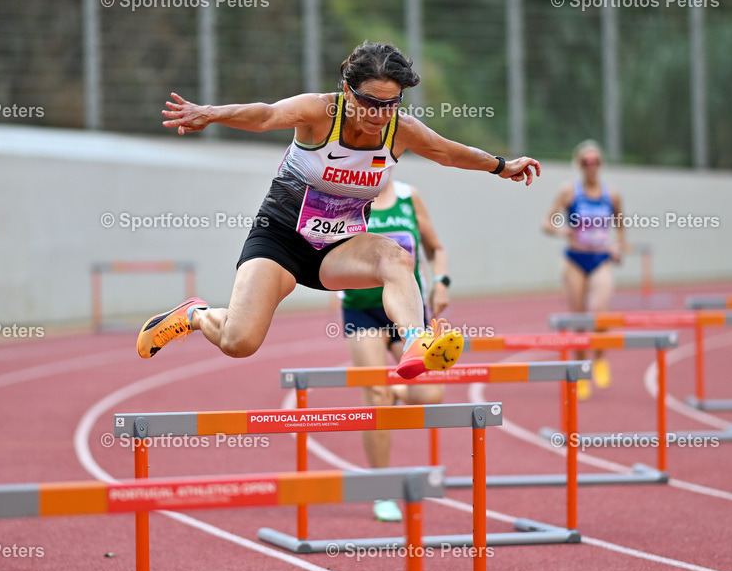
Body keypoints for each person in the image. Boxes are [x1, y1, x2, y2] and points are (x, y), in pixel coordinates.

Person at [137, 40, 541, 380]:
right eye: (370, 103)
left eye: (391, 105)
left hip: (339, 247)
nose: (380, 116)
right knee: (239, 342)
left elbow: (449, 153)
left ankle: (416, 340)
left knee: (396, 257)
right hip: (280, 239)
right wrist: (211, 113)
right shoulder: (318, 112)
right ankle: (195, 315)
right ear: (347, 91)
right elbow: (266, 115)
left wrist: (502, 166)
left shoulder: (399, 129)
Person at [341, 179, 448, 521]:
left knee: (431, 393)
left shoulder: (407, 196)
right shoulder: (345, 194)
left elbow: (435, 248)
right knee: (375, 395)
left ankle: (395, 392)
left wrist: (441, 282)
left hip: (407, 313)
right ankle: (382, 489)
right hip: (363, 310)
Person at [542, 140, 625, 400]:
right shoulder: (569, 192)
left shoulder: (611, 195)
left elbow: (621, 225)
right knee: (578, 319)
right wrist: (562, 231)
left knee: (599, 313)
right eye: (585, 162)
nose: (590, 166)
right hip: (574, 260)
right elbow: (546, 222)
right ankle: (581, 369)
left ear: (601, 164)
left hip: (600, 258)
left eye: (595, 161)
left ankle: (599, 358)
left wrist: (618, 247)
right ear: (578, 164)